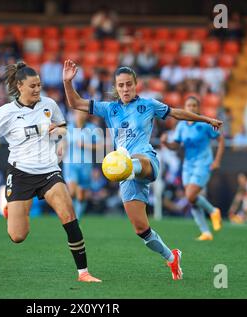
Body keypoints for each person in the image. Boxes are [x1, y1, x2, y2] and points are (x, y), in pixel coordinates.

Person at [63, 60, 223, 280]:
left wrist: (206, 119)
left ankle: (127, 167)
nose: (125, 89)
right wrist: (67, 81)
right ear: (116, 87)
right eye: (121, 85)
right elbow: (75, 103)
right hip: (125, 173)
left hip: (145, 161)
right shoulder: (110, 108)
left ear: (136, 84)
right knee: (141, 229)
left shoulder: (149, 105)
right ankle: (171, 258)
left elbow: (177, 113)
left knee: (131, 160)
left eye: (129, 84)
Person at [0, 61, 101, 283]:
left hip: (49, 171)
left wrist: (60, 134)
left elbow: (63, 127)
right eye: (33, 86)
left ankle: (83, 272)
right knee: (18, 236)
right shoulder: (4, 113)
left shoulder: (49, 105)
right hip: (20, 174)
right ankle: (11, 209)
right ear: (20, 86)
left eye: (39, 85)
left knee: (69, 216)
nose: (38, 89)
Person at [161, 96, 225, 241]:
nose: (191, 108)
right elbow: (176, 145)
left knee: (190, 195)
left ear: (198, 108)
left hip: (203, 163)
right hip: (188, 165)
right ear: (185, 108)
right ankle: (206, 232)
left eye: (194, 105)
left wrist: (217, 160)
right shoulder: (181, 126)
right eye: (188, 106)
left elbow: (221, 139)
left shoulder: (204, 124)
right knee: (192, 199)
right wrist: (166, 143)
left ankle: (213, 211)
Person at [63, 110, 101, 219]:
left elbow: (99, 146)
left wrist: (86, 145)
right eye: (78, 113)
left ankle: (77, 217)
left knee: (81, 195)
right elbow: (62, 143)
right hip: (70, 164)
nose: (81, 115)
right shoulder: (68, 128)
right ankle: (70, 217)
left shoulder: (92, 128)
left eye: (83, 113)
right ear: (74, 114)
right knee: (72, 191)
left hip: (86, 165)